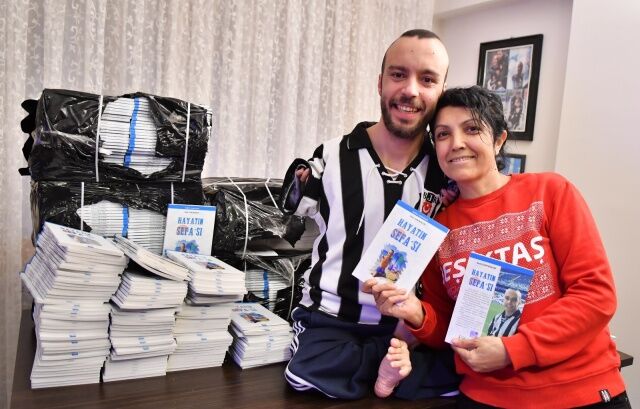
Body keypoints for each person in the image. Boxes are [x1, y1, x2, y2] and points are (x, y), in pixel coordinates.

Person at [366, 86, 629, 408]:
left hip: (580, 391)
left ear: (499, 139)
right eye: (444, 134)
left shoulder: (550, 191)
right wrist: (417, 314)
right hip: (484, 397)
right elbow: (450, 328)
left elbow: (595, 295)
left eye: (472, 129)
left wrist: (513, 350)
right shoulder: (439, 230)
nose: (456, 143)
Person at [278, 29, 459, 400]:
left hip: (409, 325)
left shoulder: (447, 170)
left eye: (427, 80)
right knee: (305, 375)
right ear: (380, 82)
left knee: (464, 373)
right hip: (332, 319)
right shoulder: (332, 156)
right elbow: (293, 205)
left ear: (441, 91)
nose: (410, 90)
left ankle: (385, 368)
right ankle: (391, 372)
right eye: (398, 74)